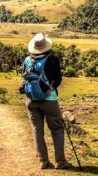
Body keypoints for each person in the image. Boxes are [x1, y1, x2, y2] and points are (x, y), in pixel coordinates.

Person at [20, 33, 72, 170]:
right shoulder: (52, 59)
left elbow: (24, 78)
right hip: (49, 99)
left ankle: (43, 160)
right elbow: (58, 80)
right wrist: (49, 88)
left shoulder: (27, 60)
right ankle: (60, 162)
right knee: (57, 129)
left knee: (37, 129)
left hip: (31, 100)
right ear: (47, 46)